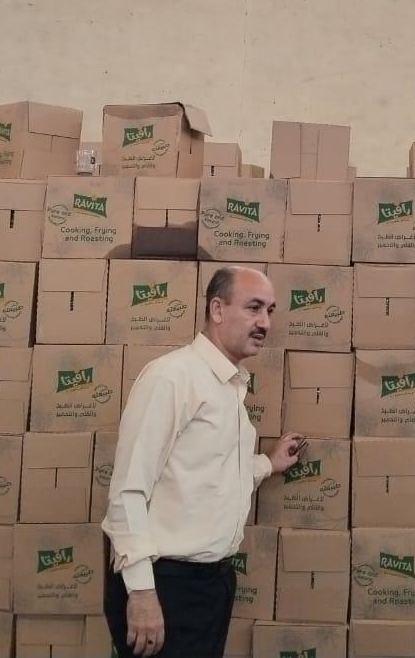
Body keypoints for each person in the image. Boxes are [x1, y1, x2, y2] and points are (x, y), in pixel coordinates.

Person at [102, 266, 304, 658]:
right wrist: (141, 593)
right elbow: (127, 491)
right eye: (254, 308)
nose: (265, 322)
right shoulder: (172, 378)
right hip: (166, 585)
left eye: (270, 311)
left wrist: (267, 463)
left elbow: (211, 473)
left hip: (210, 585)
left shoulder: (229, 386)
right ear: (217, 309)